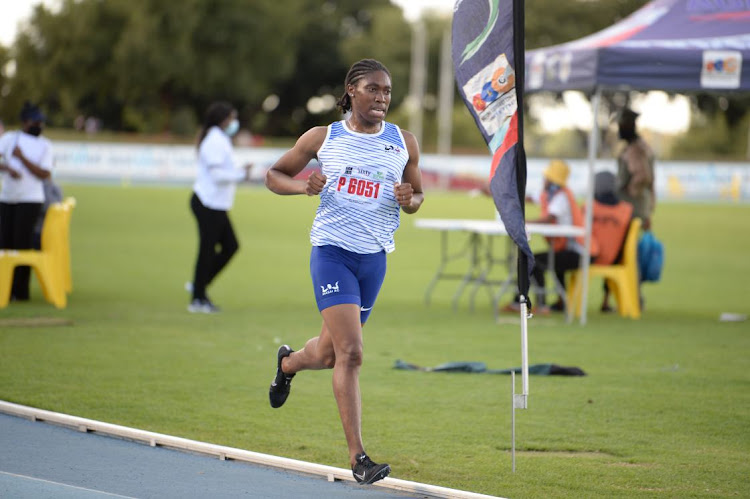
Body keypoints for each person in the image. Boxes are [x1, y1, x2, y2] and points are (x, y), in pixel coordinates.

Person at [264, 59, 424, 485]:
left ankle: (288, 365)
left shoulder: (403, 141)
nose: (382, 98)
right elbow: (273, 174)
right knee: (352, 352)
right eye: (373, 89)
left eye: (387, 91)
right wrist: (304, 186)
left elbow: (417, 195)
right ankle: (359, 459)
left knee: (330, 353)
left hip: (374, 258)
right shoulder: (323, 138)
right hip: (332, 253)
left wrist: (410, 200)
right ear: (351, 90)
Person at [504, 159, 596, 314]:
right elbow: (531, 198)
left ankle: (539, 304)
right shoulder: (553, 194)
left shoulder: (560, 198)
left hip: (579, 251)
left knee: (533, 261)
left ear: (552, 180)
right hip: (576, 249)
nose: (544, 179)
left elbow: (549, 219)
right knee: (541, 260)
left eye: (547, 177)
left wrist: (522, 222)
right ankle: (557, 302)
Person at [187, 101, 251, 313]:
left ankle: (199, 284)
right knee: (208, 250)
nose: (234, 123)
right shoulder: (215, 140)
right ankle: (198, 297)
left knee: (230, 246)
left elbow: (223, 170)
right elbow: (216, 175)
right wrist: (242, 174)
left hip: (215, 204)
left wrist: (239, 171)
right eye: (232, 118)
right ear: (223, 120)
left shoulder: (219, 138)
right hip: (208, 203)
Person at [0, 102, 54, 301]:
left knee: (22, 246)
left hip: (30, 200)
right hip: (7, 198)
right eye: (36, 121)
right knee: (5, 244)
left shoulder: (45, 145)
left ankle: (20, 292)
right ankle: (4, 289)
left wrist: (22, 159)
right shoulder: (9, 139)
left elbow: (44, 174)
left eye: (41, 122)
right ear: (25, 122)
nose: (39, 125)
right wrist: (8, 169)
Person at [588, 171, 633, 312]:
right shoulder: (626, 210)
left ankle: (563, 301)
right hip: (615, 258)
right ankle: (606, 301)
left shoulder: (589, 207)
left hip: (591, 256)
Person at [615, 108, 655, 230]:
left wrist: (630, 194)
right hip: (638, 208)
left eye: (621, 126)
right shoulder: (638, 146)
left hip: (633, 210)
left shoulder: (635, 149)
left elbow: (643, 176)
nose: (619, 130)